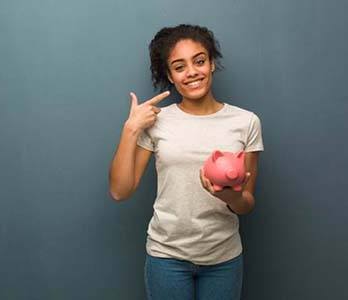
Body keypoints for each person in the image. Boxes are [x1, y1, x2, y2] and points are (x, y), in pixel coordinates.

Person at [109, 24, 264, 300]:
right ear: (170, 75)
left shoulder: (246, 122)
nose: (192, 72)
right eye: (179, 67)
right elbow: (120, 191)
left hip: (223, 259)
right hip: (167, 258)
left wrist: (230, 195)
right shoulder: (157, 121)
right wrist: (130, 128)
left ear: (212, 64)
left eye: (199, 61)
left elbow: (247, 204)